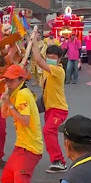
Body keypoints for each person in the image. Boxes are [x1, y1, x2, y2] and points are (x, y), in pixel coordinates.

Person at [0, 65, 44, 183]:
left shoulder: (23, 94)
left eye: (11, 80)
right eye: (6, 79)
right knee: (6, 179)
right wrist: (5, 100)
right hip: (21, 146)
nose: (7, 82)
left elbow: (24, 121)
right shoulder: (15, 93)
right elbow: (3, 115)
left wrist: (9, 103)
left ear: (20, 80)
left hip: (30, 148)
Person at [32, 33, 69, 173]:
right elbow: (39, 59)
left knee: (48, 131)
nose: (50, 60)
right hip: (49, 108)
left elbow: (37, 60)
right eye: (49, 58)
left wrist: (34, 42)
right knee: (48, 131)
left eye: (54, 58)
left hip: (58, 109)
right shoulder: (47, 69)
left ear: (59, 59)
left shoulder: (58, 70)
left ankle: (59, 161)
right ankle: (56, 158)